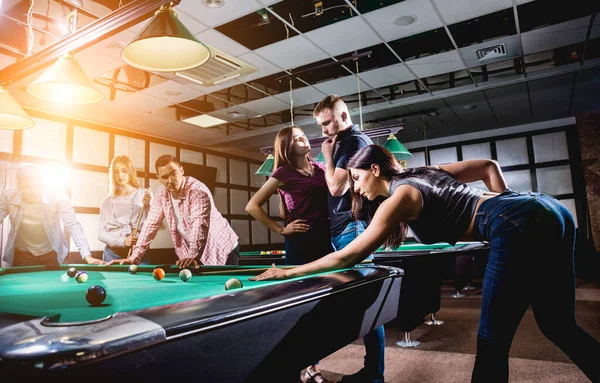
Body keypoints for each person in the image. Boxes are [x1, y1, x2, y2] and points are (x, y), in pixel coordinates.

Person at [251, 145, 600, 383]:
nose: (356, 188)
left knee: (492, 340)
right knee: (558, 325)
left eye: (357, 178)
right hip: (550, 210)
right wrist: (505, 207)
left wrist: (291, 270)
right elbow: (487, 167)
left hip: (516, 219)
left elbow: (349, 254)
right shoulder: (424, 172)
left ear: (374, 169)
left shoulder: (398, 196)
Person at [245, 126, 334, 383]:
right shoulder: (283, 172)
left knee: (320, 310)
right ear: (287, 147)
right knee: (299, 308)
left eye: (303, 135)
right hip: (300, 243)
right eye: (296, 138)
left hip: (325, 242)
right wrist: (281, 229)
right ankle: (294, 366)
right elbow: (252, 205)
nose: (303, 138)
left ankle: (312, 366)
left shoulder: (319, 168)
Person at [313, 94, 384, 383]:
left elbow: (337, 189)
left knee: (365, 300)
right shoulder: (346, 141)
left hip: (352, 228)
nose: (324, 131)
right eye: (320, 125)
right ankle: (372, 371)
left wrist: (327, 158)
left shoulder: (353, 142)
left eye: (327, 123)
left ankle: (374, 374)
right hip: (346, 228)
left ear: (343, 116)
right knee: (361, 300)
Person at [106, 155, 239, 268]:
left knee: (226, 293)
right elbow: (151, 224)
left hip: (222, 247)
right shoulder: (161, 193)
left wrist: (192, 254)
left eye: (173, 173)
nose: (170, 181)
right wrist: (134, 257)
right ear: (158, 178)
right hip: (193, 251)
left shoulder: (197, 191)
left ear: (181, 170)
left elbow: (199, 224)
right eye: (164, 177)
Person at [0, 165, 103, 267]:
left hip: (51, 252)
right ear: (19, 186)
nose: (34, 191)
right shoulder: (8, 197)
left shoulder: (57, 195)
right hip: (23, 254)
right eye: (27, 187)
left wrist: (87, 256)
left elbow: (73, 225)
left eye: (37, 186)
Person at [99, 156, 152, 263]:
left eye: (124, 171)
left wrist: (149, 206)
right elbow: (101, 233)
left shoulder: (144, 195)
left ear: (131, 172)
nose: (120, 175)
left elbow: (153, 225)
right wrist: (123, 241)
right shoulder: (107, 201)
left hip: (138, 253)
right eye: (116, 172)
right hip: (111, 254)